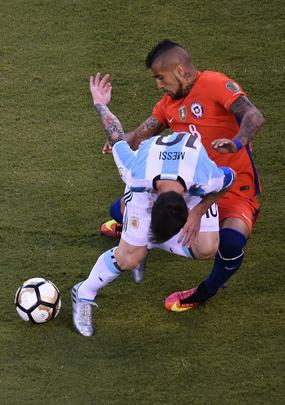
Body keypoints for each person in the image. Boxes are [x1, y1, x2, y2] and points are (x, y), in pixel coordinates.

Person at [100, 39, 265, 310]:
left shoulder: (213, 83)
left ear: (179, 71)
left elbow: (254, 116)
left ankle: (205, 291)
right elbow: (143, 132)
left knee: (232, 240)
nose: (159, 85)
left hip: (232, 187)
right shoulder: (168, 104)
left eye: (160, 78)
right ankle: (134, 232)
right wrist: (122, 140)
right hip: (190, 186)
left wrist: (235, 143)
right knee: (119, 211)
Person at [71, 72, 236, 336]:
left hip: (190, 184)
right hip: (149, 182)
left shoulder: (206, 177)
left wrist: (198, 211)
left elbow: (230, 180)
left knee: (207, 247)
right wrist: (101, 103)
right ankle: (85, 291)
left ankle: (144, 242)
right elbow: (116, 137)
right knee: (129, 256)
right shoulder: (135, 172)